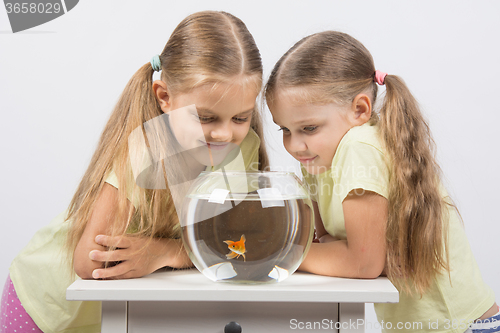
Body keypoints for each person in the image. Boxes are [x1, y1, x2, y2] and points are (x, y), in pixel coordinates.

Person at [1, 10, 269, 332]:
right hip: (47, 305)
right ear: (165, 98)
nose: (225, 134)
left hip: (123, 309)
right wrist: (186, 252)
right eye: (206, 118)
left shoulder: (244, 148)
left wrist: (169, 252)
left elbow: (241, 241)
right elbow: (88, 261)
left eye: (240, 118)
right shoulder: (143, 152)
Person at [264, 30, 498, 332]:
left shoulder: (358, 146)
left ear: (360, 109)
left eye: (308, 128)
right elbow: (328, 245)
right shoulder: (319, 160)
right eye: (284, 129)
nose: (294, 145)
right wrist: (337, 251)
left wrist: (281, 253)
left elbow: (362, 263)